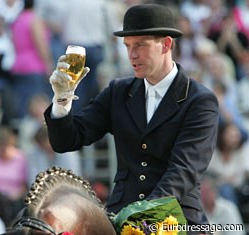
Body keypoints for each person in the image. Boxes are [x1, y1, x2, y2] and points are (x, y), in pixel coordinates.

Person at [44, 3, 219, 231]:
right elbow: (67, 141)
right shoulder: (118, 91)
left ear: (166, 44)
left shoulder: (199, 100)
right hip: (120, 214)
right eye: (128, 46)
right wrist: (62, 99)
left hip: (176, 218)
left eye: (140, 45)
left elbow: (183, 171)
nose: (132, 55)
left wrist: (140, 218)